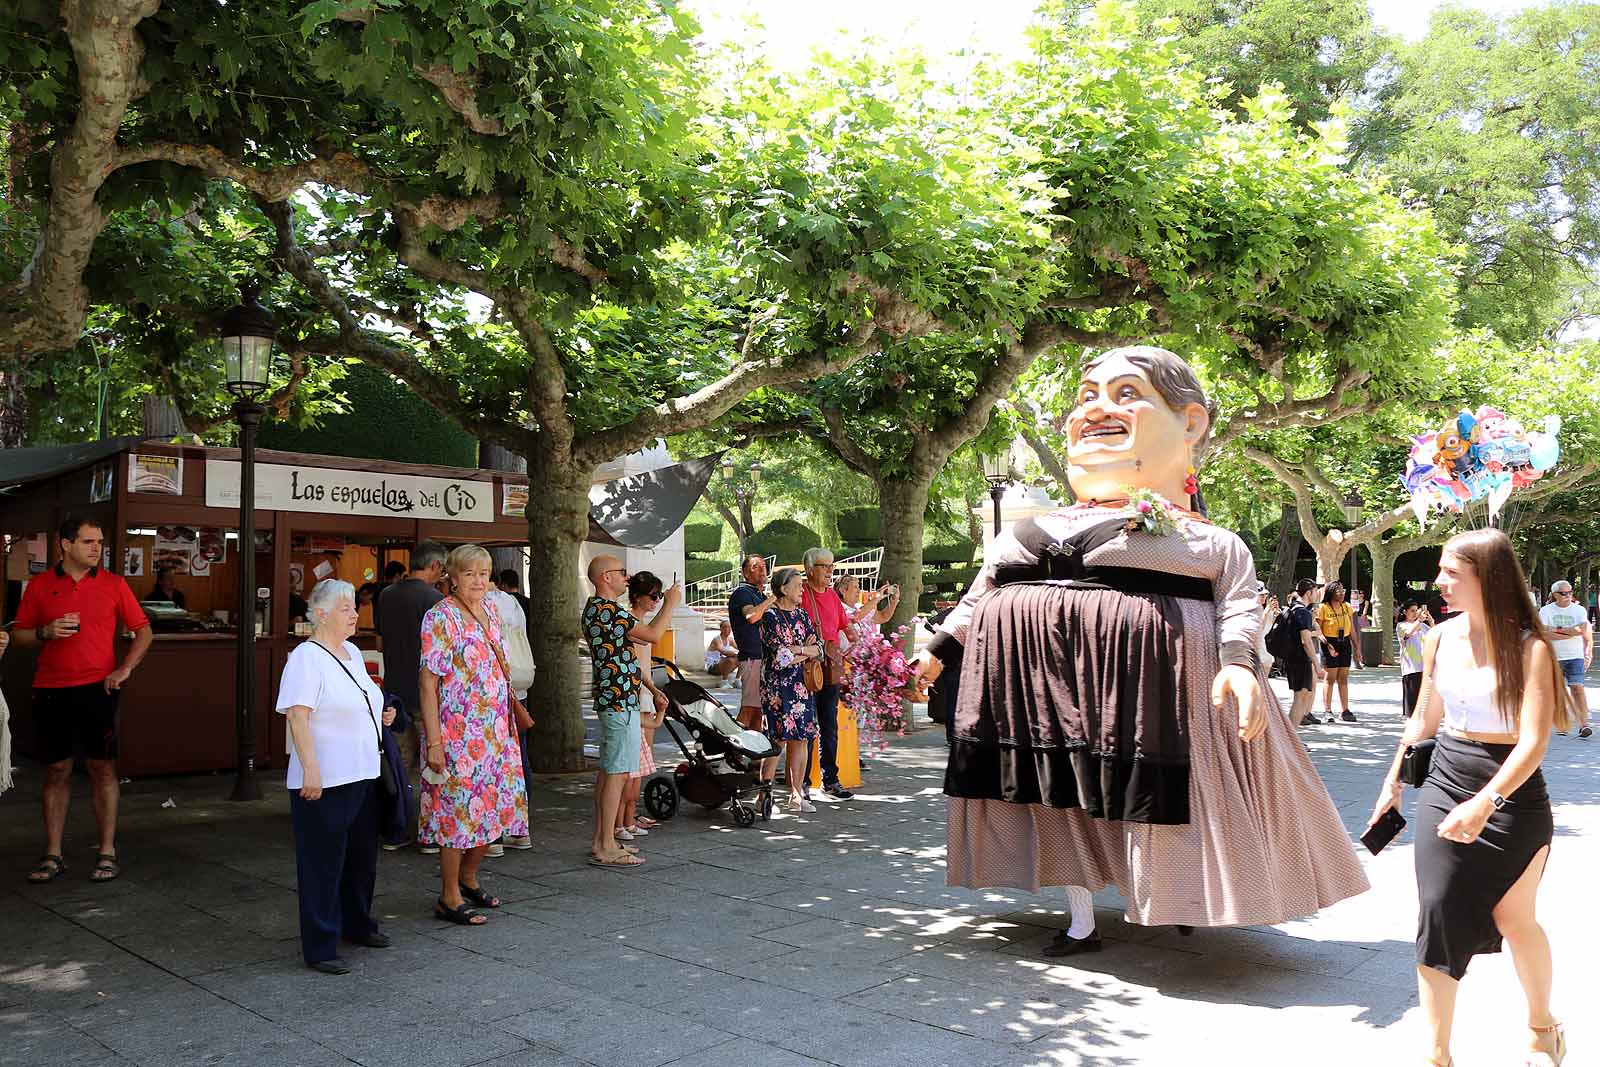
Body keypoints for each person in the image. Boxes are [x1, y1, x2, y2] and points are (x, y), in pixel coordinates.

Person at [909, 345, 1367, 957]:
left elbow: (1236, 601)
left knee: (1170, 795)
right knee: (1057, 794)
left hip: (1160, 691)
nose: (1096, 410)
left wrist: (1238, 665)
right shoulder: (1029, 529)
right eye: (1085, 397)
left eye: (1126, 394)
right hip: (1040, 690)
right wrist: (937, 651)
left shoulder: (1207, 539)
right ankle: (1079, 919)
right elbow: (979, 595)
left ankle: (1182, 896)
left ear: (1191, 423)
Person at [1366, 529, 1573, 1067]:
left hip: (1513, 793)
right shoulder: (1438, 639)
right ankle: (1437, 1056)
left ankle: (1542, 1027)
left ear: (1489, 577)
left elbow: (1534, 743)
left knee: (1515, 919)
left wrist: (1486, 802)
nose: (1439, 582)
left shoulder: (1531, 648)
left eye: (1451, 572)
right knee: (1436, 910)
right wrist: (1393, 782)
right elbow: (1422, 720)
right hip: (1445, 777)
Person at [14, 516, 153, 885]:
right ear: (65, 544)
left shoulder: (113, 584)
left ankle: (106, 851)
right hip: (51, 687)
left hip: (98, 688)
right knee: (56, 770)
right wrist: (44, 632)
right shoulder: (41, 586)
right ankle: (53, 853)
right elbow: (19, 637)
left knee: (102, 769)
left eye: (100, 542)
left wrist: (124, 669)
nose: (97, 549)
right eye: (89, 542)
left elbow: (144, 631)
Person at [276, 579, 395, 974]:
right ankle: (321, 944)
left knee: (360, 859)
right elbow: (298, 715)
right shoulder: (306, 658)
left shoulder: (352, 654)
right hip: (325, 777)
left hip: (362, 772)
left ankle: (357, 923)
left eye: (354, 607)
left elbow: (357, 701)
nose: (354, 613)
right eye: (345, 607)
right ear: (321, 613)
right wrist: (311, 768)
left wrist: (382, 716)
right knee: (322, 862)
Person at [418, 545, 530, 924]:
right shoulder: (440, 617)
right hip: (458, 734)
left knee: (494, 810)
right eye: (469, 574)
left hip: (497, 732)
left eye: (484, 573)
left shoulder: (492, 611)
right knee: (457, 815)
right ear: (452, 576)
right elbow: (427, 683)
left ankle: (468, 877)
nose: (479, 581)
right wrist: (434, 741)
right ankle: (448, 895)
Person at [583, 555, 678, 868]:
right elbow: (652, 635)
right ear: (605, 577)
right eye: (622, 573)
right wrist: (671, 603)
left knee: (612, 771)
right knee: (617, 773)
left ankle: (603, 840)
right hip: (619, 700)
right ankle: (607, 844)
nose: (627, 578)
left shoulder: (599, 610)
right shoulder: (607, 610)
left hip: (617, 699)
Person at [375, 540, 446, 851]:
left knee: (398, 762)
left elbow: (379, 643)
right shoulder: (435, 599)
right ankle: (430, 831)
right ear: (433, 566)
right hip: (427, 691)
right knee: (433, 762)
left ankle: (395, 827)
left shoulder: (387, 595)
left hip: (394, 690)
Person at [762, 567, 823, 814]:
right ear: (784, 589)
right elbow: (779, 657)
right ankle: (765, 796)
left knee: (802, 739)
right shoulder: (771, 617)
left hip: (802, 686)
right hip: (778, 688)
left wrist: (797, 650)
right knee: (776, 740)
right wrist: (801, 650)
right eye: (798, 586)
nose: (802, 590)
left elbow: (818, 647)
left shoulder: (804, 616)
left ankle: (797, 794)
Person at [616, 572, 670, 841]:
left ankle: (629, 817)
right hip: (632, 696)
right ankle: (623, 820)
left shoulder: (640, 621)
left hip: (643, 694)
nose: (657, 601)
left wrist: (653, 690)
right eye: (653, 596)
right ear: (638, 596)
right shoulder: (631, 622)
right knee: (631, 766)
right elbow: (652, 639)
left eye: (659, 596)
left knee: (642, 762)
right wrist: (672, 603)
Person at [799, 547, 854, 801]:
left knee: (829, 726)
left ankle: (830, 780)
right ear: (810, 570)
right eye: (825, 566)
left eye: (832, 566)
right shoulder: (800, 594)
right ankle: (803, 783)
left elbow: (846, 626)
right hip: (807, 669)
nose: (830, 571)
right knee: (807, 728)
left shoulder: (832, 596)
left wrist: (858, 641)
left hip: (830, 668)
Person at [484, 575, 534, 853]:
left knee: (493, 762)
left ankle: (493, 835)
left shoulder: (481, 605)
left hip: (490, 692)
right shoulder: (512, 603)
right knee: (518, 759)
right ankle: (519, 828)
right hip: (518, 687)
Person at [1538, 580, 1592, 739]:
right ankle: (1563, 724)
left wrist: (1555, 629)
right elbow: (1544, 633)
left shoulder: (1579, 610)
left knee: (1578, 689)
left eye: (1570, 592)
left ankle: (1584, 725)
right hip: (1553, 656)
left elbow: (1581, 630)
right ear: (1555, 595)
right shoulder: (1546, 611)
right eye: (1564, 593)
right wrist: (1570, 631)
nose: (1568, 595)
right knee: (1558, 692)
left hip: (1575, 656)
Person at [729, 555, 774, 731]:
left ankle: (755, 754)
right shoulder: (742, 593)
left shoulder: (760, 595)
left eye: (763, 566)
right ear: (745, 573)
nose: (762, 570)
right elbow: (752, 616)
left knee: (758, 711)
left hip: (763, 657)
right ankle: (735, 749)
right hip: (752, 658)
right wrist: (774, 598)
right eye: (756, 567)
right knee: (749, 708)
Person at [1315, 581, 1358, 722]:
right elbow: (1318, 629)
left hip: (1344, 643)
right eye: (1338, 591)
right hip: (1329, 643)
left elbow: (1351, 629)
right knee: (1330, 678)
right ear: (1331, 592)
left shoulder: (1346, 607)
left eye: (1342, 590)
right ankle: (1327, 711)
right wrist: (1326, 644)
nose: (1341, 593)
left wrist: (1357, 647)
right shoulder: (1323, 608)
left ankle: (1345, 710)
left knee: (1343, 678)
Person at [1287, 579, 1327, 727]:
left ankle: (1292, 739)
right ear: (1309, 592)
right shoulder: (1302, 612)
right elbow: (1306, 640)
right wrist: (1317, 665)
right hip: (1300, 659)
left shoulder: (1294, 608)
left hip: (1294, 658)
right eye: (1316, 590)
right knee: (1300, 698)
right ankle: (1291, 740)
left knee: (1301, 697)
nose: (1317, 594)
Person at [1396, 600, 1433, 718]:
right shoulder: (1401, 625)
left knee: (1424, 701)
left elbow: (1435, 634)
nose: (1414, 613)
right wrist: (1419, 620)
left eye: (1416, 611)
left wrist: (1431, 621)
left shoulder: (1422, 625)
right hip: (1411, 667)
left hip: (1424, 666)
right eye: (1411, 611)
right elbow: (1407, 634)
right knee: (1412, 704)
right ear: (1405, 612)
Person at [1350, 588, 1369, 669]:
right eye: (1359, 593)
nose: (1360, 595)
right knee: (1355, 639)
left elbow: (1364, 612)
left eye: (1361, 593)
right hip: (1355, 619)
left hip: (1362, 619)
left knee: (1362, 639)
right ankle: (1356, 658)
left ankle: (1361, 659)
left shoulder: (1366, 602)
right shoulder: (1353, 601)